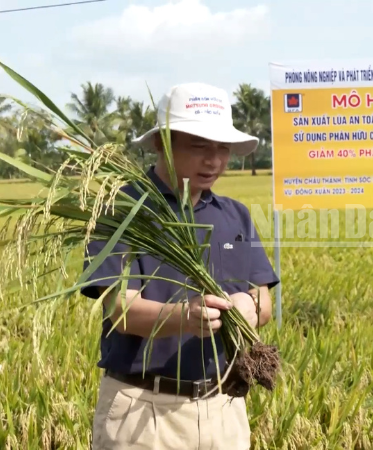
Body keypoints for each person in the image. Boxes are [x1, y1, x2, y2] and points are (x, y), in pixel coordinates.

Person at [80, 82, 280, 450]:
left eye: (223, 148)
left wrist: (249, 309)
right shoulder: (124, 210)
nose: (214, 161)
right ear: (161, 143)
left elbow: (264, 301)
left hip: (225, 408)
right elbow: (119, 310)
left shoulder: (236, 216)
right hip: (144, 412)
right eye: (200, 146)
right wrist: (185, 317)